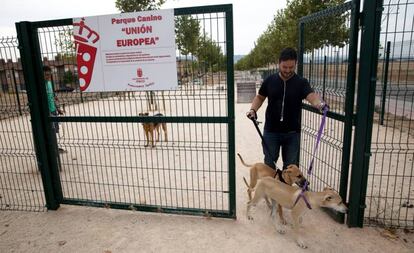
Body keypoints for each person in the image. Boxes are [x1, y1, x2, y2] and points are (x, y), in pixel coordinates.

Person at [246, 47, 327, 170]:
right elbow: (260, 97)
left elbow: (311, 96)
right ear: (279, 63)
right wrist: (253, 110)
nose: (288, 70)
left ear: (296, 64)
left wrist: (320, 105)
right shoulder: (270, 80)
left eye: (291, 67)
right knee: (269, 165)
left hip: (292, 133)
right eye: (284, 67)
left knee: (290, 169)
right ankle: (270, 189)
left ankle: (285, 189)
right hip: (271, 131)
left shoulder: (301, 82)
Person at [43, 66, 66, 154]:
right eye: (46, 75)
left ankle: (55, 147)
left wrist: (58, 108)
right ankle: (52, 149)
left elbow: (52, 97)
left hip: (53, 110)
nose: (48, 77)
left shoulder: (49, 83)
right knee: (50, 130)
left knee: (55, 130)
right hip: (47, 112)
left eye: (49, 75)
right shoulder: (41, 85)